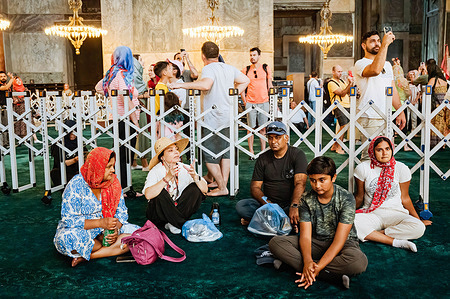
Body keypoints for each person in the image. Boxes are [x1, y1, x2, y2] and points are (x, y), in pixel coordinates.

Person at [269, 156, 368, 290]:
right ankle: (331, 276)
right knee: (276, 243)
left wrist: (316, 266)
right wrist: (308, 261)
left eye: (322, 180)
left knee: (358, 262)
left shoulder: (346, 198)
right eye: (313, 181)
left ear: (333, 177)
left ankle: (294, 266)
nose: (317, 185)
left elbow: (339, 240)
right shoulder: (305, 199)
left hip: (344, 243)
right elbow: (305, 235)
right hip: (315, 241)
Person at [169, 41, 250, 196]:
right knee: (225, 152)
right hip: (228, 115)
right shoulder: (229, 68)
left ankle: (222, 187)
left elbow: (206, 85)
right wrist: (232, 94)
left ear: (203, 56)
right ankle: (222, 185)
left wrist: (181, 86)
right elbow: (246, 80)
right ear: (218, 54)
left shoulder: (208, 68)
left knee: (208, 153)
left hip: (213, 117)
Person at [53, 147, 140, 267]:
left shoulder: (113, 183)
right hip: (80, 230)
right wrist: (100, 223)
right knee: (68, 240)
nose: (113, 170)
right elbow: (69, 220)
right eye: (109, 166)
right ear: (97, 167)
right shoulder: (76, 184)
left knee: (138, 237)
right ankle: (102, 247)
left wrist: (114, 230)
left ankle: (87, 256)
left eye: (113, 166)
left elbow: (121, 214)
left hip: (107, 229)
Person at [353, 136, 431, 252]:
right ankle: (395, 242)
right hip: (372, 213)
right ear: (372, 152)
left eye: (387, 149)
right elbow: (359, 197)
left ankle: (376, 235)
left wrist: (418, 220)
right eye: (379, 150)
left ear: (392, 150)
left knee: (419, 228)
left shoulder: (401, 168)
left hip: (396, 214)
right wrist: (345, 215)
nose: (384, 153)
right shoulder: (363, 168)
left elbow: (405, 198)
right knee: (351, 223)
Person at [235, 121, 308, 230]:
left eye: (277, 137)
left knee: (308, 209)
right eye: (270, 138)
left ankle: (260, 221)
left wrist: (294, 205)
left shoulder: (297, 155)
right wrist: (269, 204)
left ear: (286, 138)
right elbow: (255, 187)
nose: (273, 141)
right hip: (268, 205)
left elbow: (300, 183)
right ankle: (284, 223)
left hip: (290, 204)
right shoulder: (263, 158)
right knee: (242, 206)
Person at [95, 46, 140, 198]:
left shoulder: (111, 73)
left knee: (121, 155)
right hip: (125, 119)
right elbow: (126, 98)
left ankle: (123, 187)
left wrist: (110, 94)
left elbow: (98, 88)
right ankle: (125, 189)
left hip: (116, 118)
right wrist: (135, 122)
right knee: (125, 156)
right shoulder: (121, 75)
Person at [354, 31, 406, 160]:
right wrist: (385, 44)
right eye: (372, 41)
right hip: (369, 115)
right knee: (369, 155)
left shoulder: (388, 65)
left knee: (386, 156)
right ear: (363, 46)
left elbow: (392, 88)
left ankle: (383, 180)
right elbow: (375, 70)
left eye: (378, 40)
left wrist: (400, 110)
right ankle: (366, 180)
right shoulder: (360, 63)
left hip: (386, 115)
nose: (377, 43)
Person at [143, 137, 207, 234]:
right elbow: (148, 195)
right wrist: (166, 178)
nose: (176, 152)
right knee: (160, 193)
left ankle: (173, 223)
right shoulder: (155, 171)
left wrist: (195, 176)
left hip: (179, 209)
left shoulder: (184, 167)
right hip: (159, 215)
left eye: (176, 149)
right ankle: (182, 224)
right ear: (162, 157)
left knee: (195, 188)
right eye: (171, 151)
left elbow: (205, 190)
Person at [240, 47, 273, 155]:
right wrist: (245, 101)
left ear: (259, 56)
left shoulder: (265, 67)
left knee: (263, 129)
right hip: (250, 102)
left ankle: (263, 151)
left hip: (264, 101)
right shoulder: (246, 69)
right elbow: (241, 86)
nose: (252, 57)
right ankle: (251, 151)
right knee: (250, 129)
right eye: (251, 55)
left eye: (254, 55)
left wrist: (272, 101)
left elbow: (270, 85)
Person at [50, 119, 86, 186]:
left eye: (75, 131)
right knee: (56, 173)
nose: (73, 134)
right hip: (63, 172)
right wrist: (75, 160)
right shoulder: (58, 145)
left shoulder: (79, 142)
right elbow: (62, 163)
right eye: (70, 132)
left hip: (78, 170)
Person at [328, 65, 354, 154]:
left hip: (347, 105)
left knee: (344, 127)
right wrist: (350, 84)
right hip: (339, 106)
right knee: (343, 126)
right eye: (338, 71)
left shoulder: (342, 81)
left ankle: (334, 145)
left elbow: (349, 91)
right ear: (333, 72)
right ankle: (339, 147)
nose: (340, 73)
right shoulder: (331, 83)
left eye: (341, 71)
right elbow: (342, 93)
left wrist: (351, 83)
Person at [426, 63, 449, 148]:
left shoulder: (433, 79)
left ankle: (434, 144)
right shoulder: (444, 81)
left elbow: (427, 91)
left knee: (434, 124)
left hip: (435, 105)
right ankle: (442, 143)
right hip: (444, 105)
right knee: (442, 124)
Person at [0, 71, 13, 147]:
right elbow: (6, 87)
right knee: (1, 127)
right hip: (1, 107)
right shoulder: (3, 86)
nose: (3, 78)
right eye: (1, 76)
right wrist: (11, 78)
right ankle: (2, 144)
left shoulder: (8, 84)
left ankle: (7, 143)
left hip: (7, 107)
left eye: (4, 76)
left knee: (7, 125)